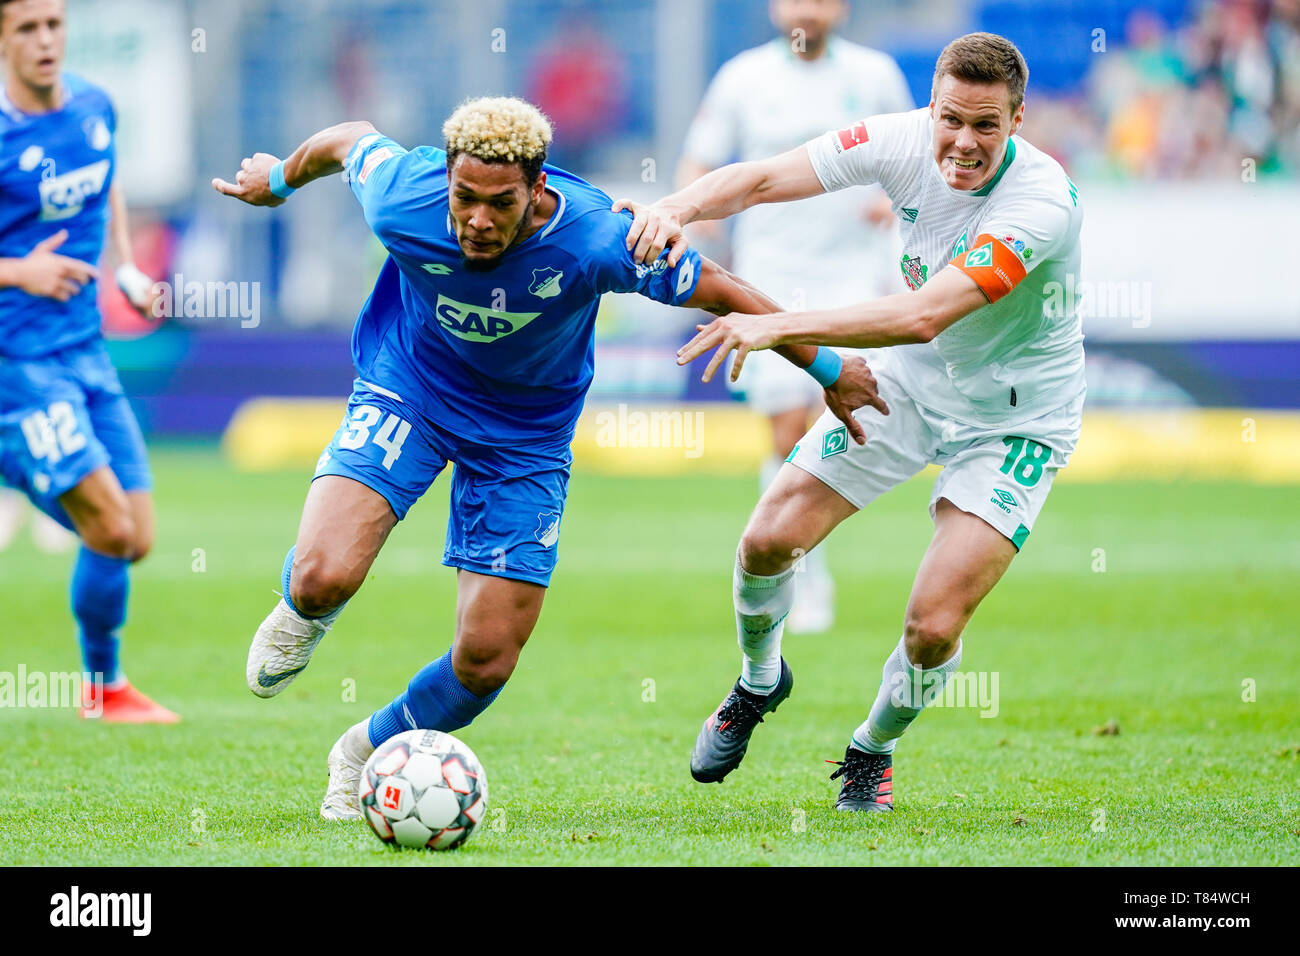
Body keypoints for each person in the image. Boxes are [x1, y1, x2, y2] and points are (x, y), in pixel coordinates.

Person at [212, 96, 885, 819]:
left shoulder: (597, 239)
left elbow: (724, 289)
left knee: (486, 659)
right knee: (321, 577)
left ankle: (365, 749)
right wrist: (277, 180)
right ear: (445, 180)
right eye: (463, 198)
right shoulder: (402, 194)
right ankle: (302, 610)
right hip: (409, 390)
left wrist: (827, 370)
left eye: (498, 204)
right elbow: (347, 139)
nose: (475, 220)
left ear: (537, 192)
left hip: (523, 437)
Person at [620, 32, 1085, 811]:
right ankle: (759, 680)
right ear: (930, 106)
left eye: (986, 126)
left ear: (1018, 120)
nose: (963, 143)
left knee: (933, 627)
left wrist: (778, 326)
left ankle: (872, 748)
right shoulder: (899, 138)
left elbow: (926, 313)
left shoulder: (1042, 202)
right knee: (768, 538)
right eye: (950, 119)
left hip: (1016, 420)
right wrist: (677, 206)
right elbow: (767, 176)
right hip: (908, 386)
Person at [677, 0, 912, 632]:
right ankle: (794, 571)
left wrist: (898, 206)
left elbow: (916, 159)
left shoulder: (876, 75)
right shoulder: (742, 78)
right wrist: (690, 225)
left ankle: (800, 560)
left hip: (853, 275)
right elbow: (700, 161)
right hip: (770, 277)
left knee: (831, 416)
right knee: (786, 431)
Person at [0, 0, 176, 722]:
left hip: (84, 354)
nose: (46, 41)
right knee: (107, 527)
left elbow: (108, 182)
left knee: (135, 537)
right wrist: (18, 273)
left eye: (54, 24)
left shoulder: (95, 105)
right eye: (27, 29)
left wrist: (126, 269)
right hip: (18, 365)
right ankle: (104, 690)